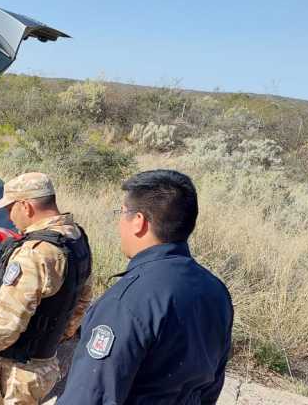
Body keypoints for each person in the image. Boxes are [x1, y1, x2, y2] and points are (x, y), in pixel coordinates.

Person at [58, 170, 233, 405]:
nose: (119, 222)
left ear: (139, 221)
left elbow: (90, 396)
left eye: (121, 213)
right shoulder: (216, 292)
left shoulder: (126, 302)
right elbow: (209, 388)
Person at [0, 172, 92, 405]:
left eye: (10, 208)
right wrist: (55, 337)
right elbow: (81, 300)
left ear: (26, 206)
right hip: (40, 366)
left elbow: (6, 324)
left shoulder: (35, 252)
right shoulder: (75, 238)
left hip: (11, 373)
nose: (9, 217)